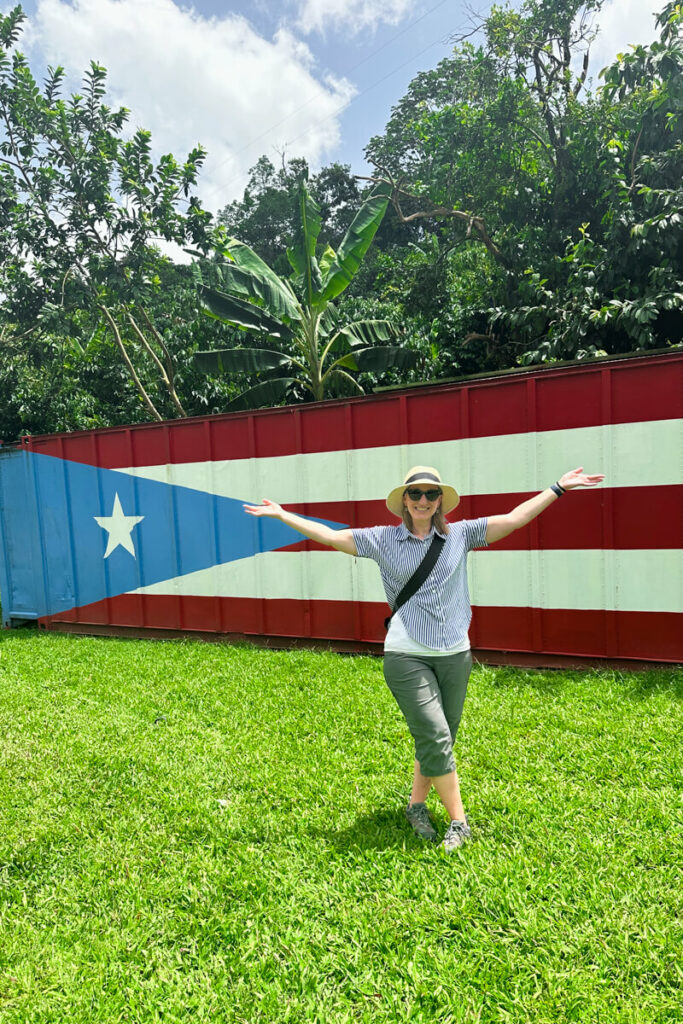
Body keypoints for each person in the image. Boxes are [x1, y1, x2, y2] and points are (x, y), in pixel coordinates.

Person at [244, 464, 604, 851]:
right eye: (415, 493)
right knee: (434, 735)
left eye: (431, 494)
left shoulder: (461, 535)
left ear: (440, 502)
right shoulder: (382, 539)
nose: (422, 500)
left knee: (439, 739)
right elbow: (331, 536)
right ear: (404, 500)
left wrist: (558, 488)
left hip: (455, 653)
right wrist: (284, 515)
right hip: (406, 653)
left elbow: (515, 519)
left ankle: (416, 806)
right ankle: (459, 822)